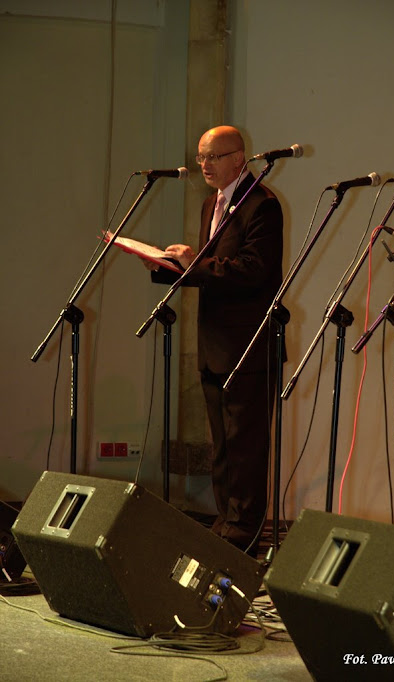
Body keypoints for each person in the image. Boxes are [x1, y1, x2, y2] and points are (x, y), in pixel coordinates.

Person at [144, 125, 284, 555]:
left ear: (239, 158)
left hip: (248, 347)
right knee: (222, 446)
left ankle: (243, 538)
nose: (204, 164)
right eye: (201, 156)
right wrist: (167, 266)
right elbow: (212, 271)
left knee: (246, 448)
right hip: (214, 344)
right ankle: (226, 525)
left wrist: (195, 262)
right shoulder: (212, 203)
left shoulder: (262, 204)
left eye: (213, 156)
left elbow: (252, 271)